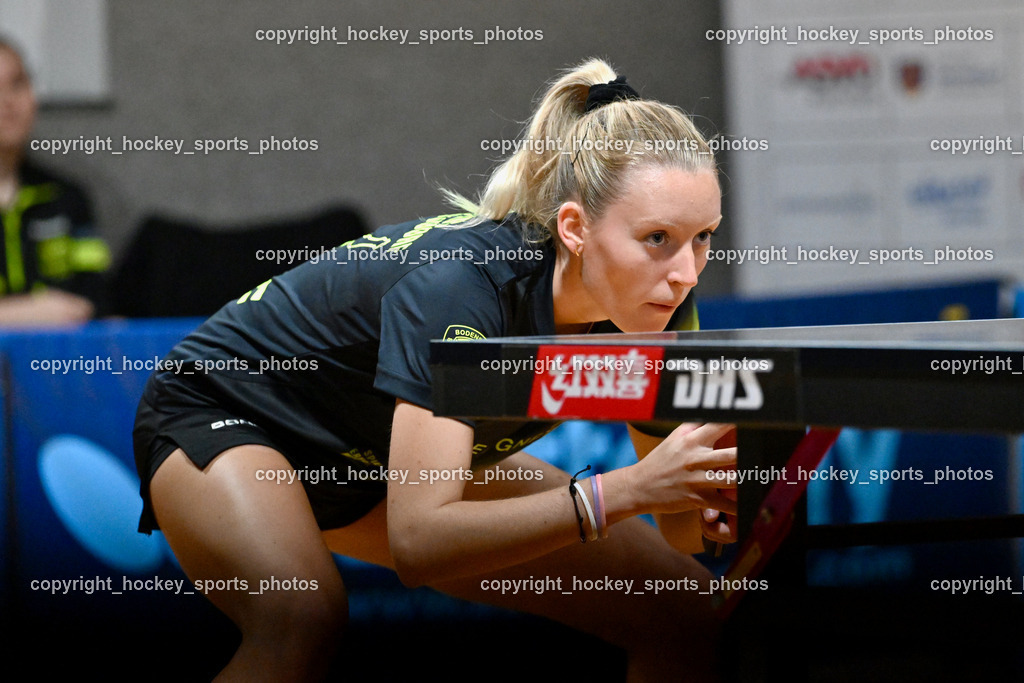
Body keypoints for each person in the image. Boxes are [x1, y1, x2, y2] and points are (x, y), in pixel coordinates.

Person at [134, 57, 737, 682]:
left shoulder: (659, 305)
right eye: (658, 238)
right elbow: (420, 544)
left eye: (703, 237)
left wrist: (713, 498)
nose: (686, 272)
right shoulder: (460, 294)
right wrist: (628, 490)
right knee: (300, 620)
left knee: (682, 607)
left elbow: (681, 532)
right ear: (575, 228)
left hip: (372, 448)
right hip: (226, 408)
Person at [0, 37, 111, 327]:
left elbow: (97, 301)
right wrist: (20, 315)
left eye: (18, 84)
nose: (8, 102)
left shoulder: (66, 197)